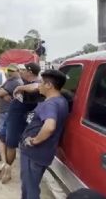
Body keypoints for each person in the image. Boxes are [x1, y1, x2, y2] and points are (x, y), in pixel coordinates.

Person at [19, 70, 68, 199]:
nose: (38, 86)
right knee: (32, 185)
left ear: (49, 85)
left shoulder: (50, 104)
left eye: (41, 82)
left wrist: (34, 141)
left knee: (30, 188)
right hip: (44, 152)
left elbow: (49, 127)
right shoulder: (61, 100)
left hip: (34, 153)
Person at [0, 62, 42, 183]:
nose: (20, 72)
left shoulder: (36, 84)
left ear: (30, 72)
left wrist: (20, 88)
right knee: (0, 138)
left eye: (23, 70)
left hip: (18, 118)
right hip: (12, 116)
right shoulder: (25, 82)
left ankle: (6, 171)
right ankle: (4, 166)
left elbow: (37, 86)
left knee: (11, 145)